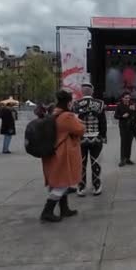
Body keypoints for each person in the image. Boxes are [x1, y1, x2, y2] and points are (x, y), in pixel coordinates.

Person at [40, 90, 85, 222]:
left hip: (52, 153)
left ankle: (64, 209)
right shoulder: (66, 116)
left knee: (60, 182)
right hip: (62, 154)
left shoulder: (54, 113)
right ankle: (47, 211)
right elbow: (80, 129)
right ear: (68, 102)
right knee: (61, 184)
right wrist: (78, 120)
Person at [73, 83, 107, 197]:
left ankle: (81, 188)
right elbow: (103, 122)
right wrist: (103, 136)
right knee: (96, 163)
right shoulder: (100, 103)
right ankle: (96, 186)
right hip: (96, 138)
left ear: (82, 92)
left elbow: (74, 123)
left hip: (81, 139)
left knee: (81, 164)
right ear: (92, 92)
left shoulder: (76, 104)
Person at [114, 92, 136, 167]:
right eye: (126, 98)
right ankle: (122, 159)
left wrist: (133, 110)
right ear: (122, 98)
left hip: (131, 127)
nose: (127, 99)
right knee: (123, 143)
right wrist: (122, 116)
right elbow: (115, 116)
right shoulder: (119, 106)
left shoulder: (132, 105)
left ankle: (128, 159)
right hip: (123, 127)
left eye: (128, 98)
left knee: (129, 143)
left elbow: (135, 115)